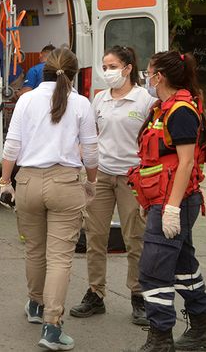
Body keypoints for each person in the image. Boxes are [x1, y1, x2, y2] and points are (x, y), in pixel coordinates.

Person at [0, 48, 98, 351]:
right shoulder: (81, 103)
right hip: (65, 184)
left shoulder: (26, 99)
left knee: (34, 250)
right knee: (59, 258)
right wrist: (91, 182)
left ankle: (35, 304)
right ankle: (52, 326)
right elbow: (91, 151)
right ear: (74, 74)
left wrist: (5, 181)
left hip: (28, 181)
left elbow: (12, 145)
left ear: (42, 71)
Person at [127, 51, 206, 352]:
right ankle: (203, 328)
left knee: (153, 270)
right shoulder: (163, 108)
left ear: (159, 77)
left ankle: (160, 338)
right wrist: (150, 199)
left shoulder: (179, 111)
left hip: (174, 201)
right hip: (164, 199)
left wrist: (170, 208)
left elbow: (186, 163)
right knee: (183, 265)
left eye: (149, 72)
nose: (147, 78)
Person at [69, 46, 156, 326]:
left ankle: (138, 295)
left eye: (113, 66)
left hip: (133, 177)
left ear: (128, 68)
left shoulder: (144, 99)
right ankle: (96, 293)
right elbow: (89, 135)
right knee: (95, 237)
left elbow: (152, 139)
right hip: (101, 176)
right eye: (105, 67)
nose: (107, 72)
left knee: (136, 239)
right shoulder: (99, 99)